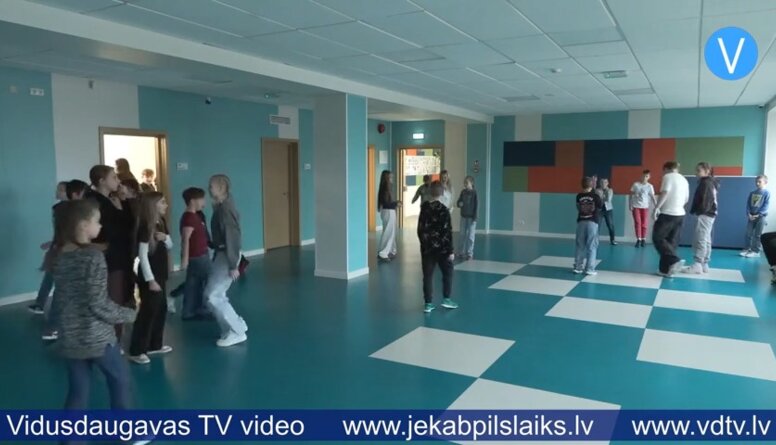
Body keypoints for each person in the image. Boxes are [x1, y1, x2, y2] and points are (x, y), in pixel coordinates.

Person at [50, 199, 137, 411]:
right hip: (97, 339)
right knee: (120, 380)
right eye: (97, 221)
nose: (100, 225)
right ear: (83, 225)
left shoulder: (60, 255)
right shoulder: (93, 258)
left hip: (70, 338)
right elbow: (98, 304)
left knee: (78, 391)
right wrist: (129, 314)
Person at [35, 180, 90, 341]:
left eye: (60, 189)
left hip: (68, 251)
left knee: (64, 288)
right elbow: (65, 233)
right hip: (68, 252)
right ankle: (53, 325)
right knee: (62, 288)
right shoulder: (66, 210)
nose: (57, 192)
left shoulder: (68, 210)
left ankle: (58, 323)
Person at [87, 165, 136, 340]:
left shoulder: (109, 200)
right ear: (102, 181)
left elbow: (128, 226)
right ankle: (111, 339)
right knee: (112, 298)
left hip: (118, 255)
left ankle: (114, 337)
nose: (118, 181)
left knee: (118, 295)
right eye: (114, 177)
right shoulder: (95, 202)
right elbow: (115, 230)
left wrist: (122, 203)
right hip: (109, 257)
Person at [128, 192, 173, 364]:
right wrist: (150, 280)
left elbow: (170, 245)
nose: (165, 205)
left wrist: (165, 238)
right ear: (153, 206)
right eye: (162, 202)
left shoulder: (161, 223)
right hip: (151, 276)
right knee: (148, 311)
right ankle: (137, 349)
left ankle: (155, 344)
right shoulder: (146, 226)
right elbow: (143, 256)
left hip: (160, 273)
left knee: (161, 309)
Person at [205, 174, 248, 347]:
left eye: (212, 186)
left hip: (228, 255)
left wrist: (232, 264)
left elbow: (232, 236)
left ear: (221, 188)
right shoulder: (222, 206)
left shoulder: (225, 209)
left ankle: (237, 331)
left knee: (214, 295)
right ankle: (233, 326)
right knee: (213, 294)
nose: (209, 188)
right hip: (223, 254)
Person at [29, 181, 69, 316]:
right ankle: (40, 304)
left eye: (61, 190)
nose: (57, 192)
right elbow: (59, 230)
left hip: (65, 247)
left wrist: (56, 243)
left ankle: (52, 308)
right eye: (58, 189)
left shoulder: (71, 209)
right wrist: (53, 242)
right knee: (50, 274)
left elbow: (67, 230)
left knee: (57, 276)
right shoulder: (57, 208)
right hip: (58, 245)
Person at [418, 181, 459, 313]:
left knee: (428, 276)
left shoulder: (424, 209)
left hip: (427, 250)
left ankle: (428, 303)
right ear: (442, 193)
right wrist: (450, 251)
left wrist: (424, 244)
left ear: (430, 192)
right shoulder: (444, 210)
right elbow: (447, 232)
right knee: (448, 273)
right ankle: (447, 299)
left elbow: (420, 230)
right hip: (442, 250)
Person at [653, 161, 690, 277]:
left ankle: (674, 260)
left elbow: (665, 192)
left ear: (666, 169)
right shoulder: (684, 179)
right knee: (670, 243)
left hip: (668, 213)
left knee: (658, 238)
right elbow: (686, 199)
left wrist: (657, 207)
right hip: (680, 214)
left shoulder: (668, 177)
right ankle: (665, 270)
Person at [180, 187, 212, 320]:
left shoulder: (192, 216)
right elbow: (185, 239)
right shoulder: (190, 218)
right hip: (199, 257)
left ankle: (188, 311)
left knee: (192, 285)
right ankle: (203, 309)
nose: (203, 202)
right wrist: (184, 259)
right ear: (193, 201)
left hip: (196, 257)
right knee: (207, 282)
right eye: (201, 199)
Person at [682, 162, 719, 274]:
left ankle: (698, 263)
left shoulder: (706, 183)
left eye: (699, 171)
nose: (696, 173)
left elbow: (706, 201)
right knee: (706, 239)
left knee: (701, 238)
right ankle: (704, 263)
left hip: (705, 214)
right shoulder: (710, 182)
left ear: (707, 171)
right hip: (709, 214)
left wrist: (699, 211)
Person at [574, 177, 603, 275]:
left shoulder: (578, 196)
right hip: (592, 222)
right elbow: (600, 206)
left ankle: (578, 267)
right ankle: (590, 269)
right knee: (592, 245)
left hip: (581, 221)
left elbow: (578, 207)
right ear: (591, 185)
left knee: (580, 245)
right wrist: (600, 195)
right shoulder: (595, 196)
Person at [741, 175, 770, 258]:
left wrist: (759, 214)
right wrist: (749, 214)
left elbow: (766, 205)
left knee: (757, 235)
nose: (757, 183)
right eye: (756, 182)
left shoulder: (766, 193)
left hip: (761, 217)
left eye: (759, 182)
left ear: (765, 182)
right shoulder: (752, 193)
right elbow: (748, 204)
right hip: (751, 216)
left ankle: (756, 251)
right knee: (748, 233)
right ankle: (747, 249)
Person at [377, 170, 401, 262]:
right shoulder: (385, 189)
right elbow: (387, 203)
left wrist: (395, 202)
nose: (392, 179)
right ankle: (383, 253)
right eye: (390, 177)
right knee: (389, 233)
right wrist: (396, 204)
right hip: (388, 212)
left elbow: (387, 202)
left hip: (387, 212)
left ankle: (390, 251)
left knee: (390, 232)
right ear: (387, 178)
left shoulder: (385, 188)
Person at [630, 170, 657, 247]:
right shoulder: (636, 184)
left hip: (645, 207)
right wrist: (630, 205)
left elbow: (653, 197)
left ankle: (643, 239)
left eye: (646, 176)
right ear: (641, 176)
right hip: (636, 206)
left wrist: (657, 207)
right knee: (637, 223)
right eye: (643, 176)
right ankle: (638, 239)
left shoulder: (650, 186)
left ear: (649, 177)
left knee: (644, 223)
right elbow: (631, 195)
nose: (644, 177)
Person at [456, 176, 478, 260]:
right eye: (464, 183)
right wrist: (459, 204)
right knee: (462, 234)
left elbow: (477, 205)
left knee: (470, 236)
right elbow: (459, 201)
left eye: (467, 183)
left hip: (471, 218)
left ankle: (470, 253)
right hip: (463, 217)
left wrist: (475, 217)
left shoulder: (474, 193)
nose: (465, 184)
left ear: (471, 183)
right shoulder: (463, 192)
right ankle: (460, 252)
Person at [596, 178, 617, 245]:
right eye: (602, 182)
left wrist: (602, 195)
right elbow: (597, 200)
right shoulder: (597, 190)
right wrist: (602, 197)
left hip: (608, 210)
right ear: (600, 183)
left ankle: (612, 240)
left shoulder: (610, 190)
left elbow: (608, 199)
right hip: (599, 210)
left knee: (610, 225)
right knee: (597, 225)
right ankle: (595, 240)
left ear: (607, 183)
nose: (603, 184)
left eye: (605, 182)